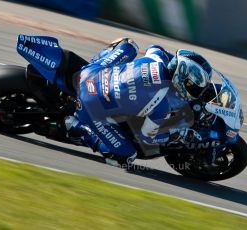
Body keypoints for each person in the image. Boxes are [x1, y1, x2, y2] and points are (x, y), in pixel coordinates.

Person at [65, 38, 212, 167]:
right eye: (193, 87)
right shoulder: (162, 106)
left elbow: (154, 47)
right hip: (89, 104)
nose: (195, 92)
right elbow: (146, 138)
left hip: (91, 72)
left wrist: (173, 59)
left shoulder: (157, 57)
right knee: (125, 157)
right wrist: (176, 135)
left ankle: (95, 61)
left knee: (129, 44)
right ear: (180, 80)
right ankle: (79, 128)